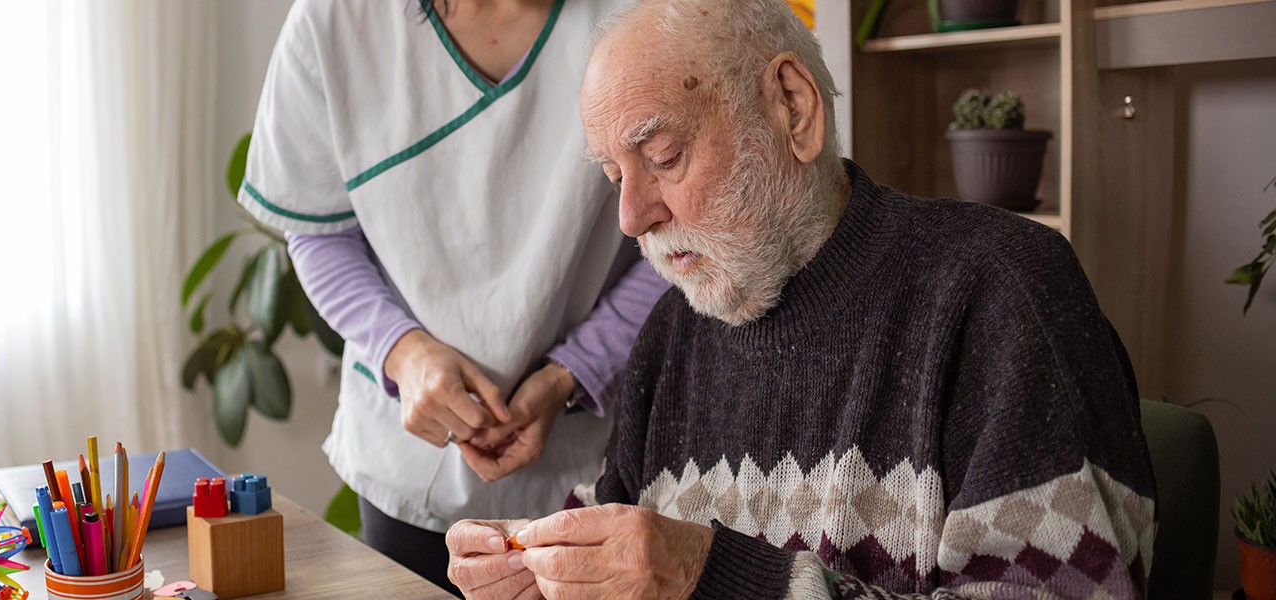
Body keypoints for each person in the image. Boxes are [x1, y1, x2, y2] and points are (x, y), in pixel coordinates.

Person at [444, 0, 1159, 597]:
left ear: (792, 107)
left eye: (663, 157)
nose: (632, 217)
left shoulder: (1001, 292)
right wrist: (541, 568)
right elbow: (626, 530)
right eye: (612, 175)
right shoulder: (672, 330)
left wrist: (716, 577)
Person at [236, 0, 670, 593]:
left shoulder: (647, 13)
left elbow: (677, 226)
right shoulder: (333, 22)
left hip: (597, 458)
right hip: (410, 470)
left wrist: (575, 370)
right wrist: (404, 352)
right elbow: (318, 234)